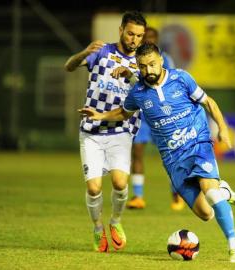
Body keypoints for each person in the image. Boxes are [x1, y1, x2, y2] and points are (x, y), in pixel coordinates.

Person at [79, 43, 235, 263]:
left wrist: (223, 128)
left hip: (198, 146)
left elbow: (208, 102)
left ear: (160, 61)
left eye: (152, 64)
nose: (148, 70)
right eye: (142, 67)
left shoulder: (181, 79)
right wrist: (100, 116)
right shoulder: (138, 92)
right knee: (206, 214)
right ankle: (225, 192)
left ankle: (234, 248)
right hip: (173, 160)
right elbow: (124, 112)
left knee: (211, 194)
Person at [64, 11, 146, 252]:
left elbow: (145, 89)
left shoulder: (142, 62)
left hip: (121, 130)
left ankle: (116, 222)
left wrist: (130, 75)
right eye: (131, 33)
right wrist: (84, 53)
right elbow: (69, 66)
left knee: (120, 183)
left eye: (139, 36)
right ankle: (98, 227)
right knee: (94, 188)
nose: (134, 39)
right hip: (91, 130)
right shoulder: (101, 52)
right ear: (121, 30)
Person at [127, 26, 185, 211]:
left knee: (172, 156)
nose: (149, 40)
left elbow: (171, 83)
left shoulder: (165, 59)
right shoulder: (134, 60)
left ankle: (177, 195)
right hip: (142, 116)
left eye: (153, 37)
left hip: (162, 116)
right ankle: (138, 196)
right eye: (147, 37)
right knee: (136, 153)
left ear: (157, 40)